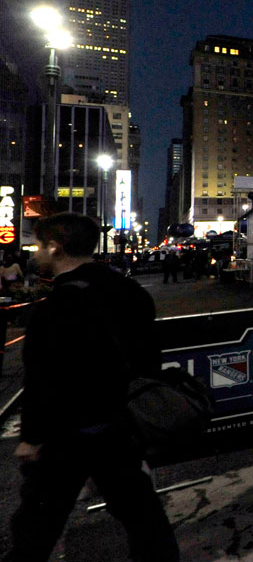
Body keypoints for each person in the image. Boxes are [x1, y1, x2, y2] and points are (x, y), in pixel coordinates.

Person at [7, 212, 179, 561]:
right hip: (121, 424)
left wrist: (31, 436)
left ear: (55, 248)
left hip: (66, 433)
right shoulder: (130, 291)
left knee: (37, 525)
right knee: (142, 516)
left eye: (39, 245)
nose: (36, 253)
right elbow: (149, 355)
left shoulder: (56, 306)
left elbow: (43, 376)